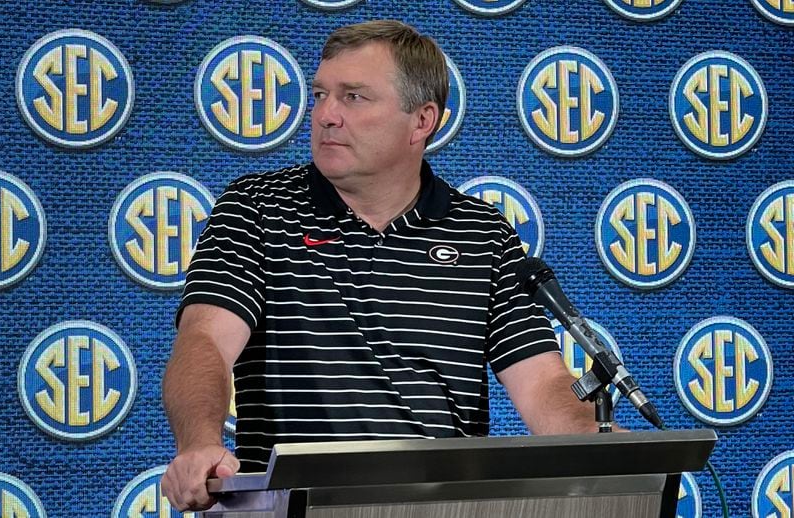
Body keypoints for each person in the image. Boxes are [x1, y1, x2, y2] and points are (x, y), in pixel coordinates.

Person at [161, 20, 611, 512]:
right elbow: (204, 339)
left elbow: (543, 381)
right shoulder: (256, 208)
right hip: (296, 505)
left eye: (353, 97)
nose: (326, 115)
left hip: (444, 507)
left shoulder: (481, 232)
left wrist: (600, 446)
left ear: (422, 121)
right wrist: (198, 443)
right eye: (319, 95)